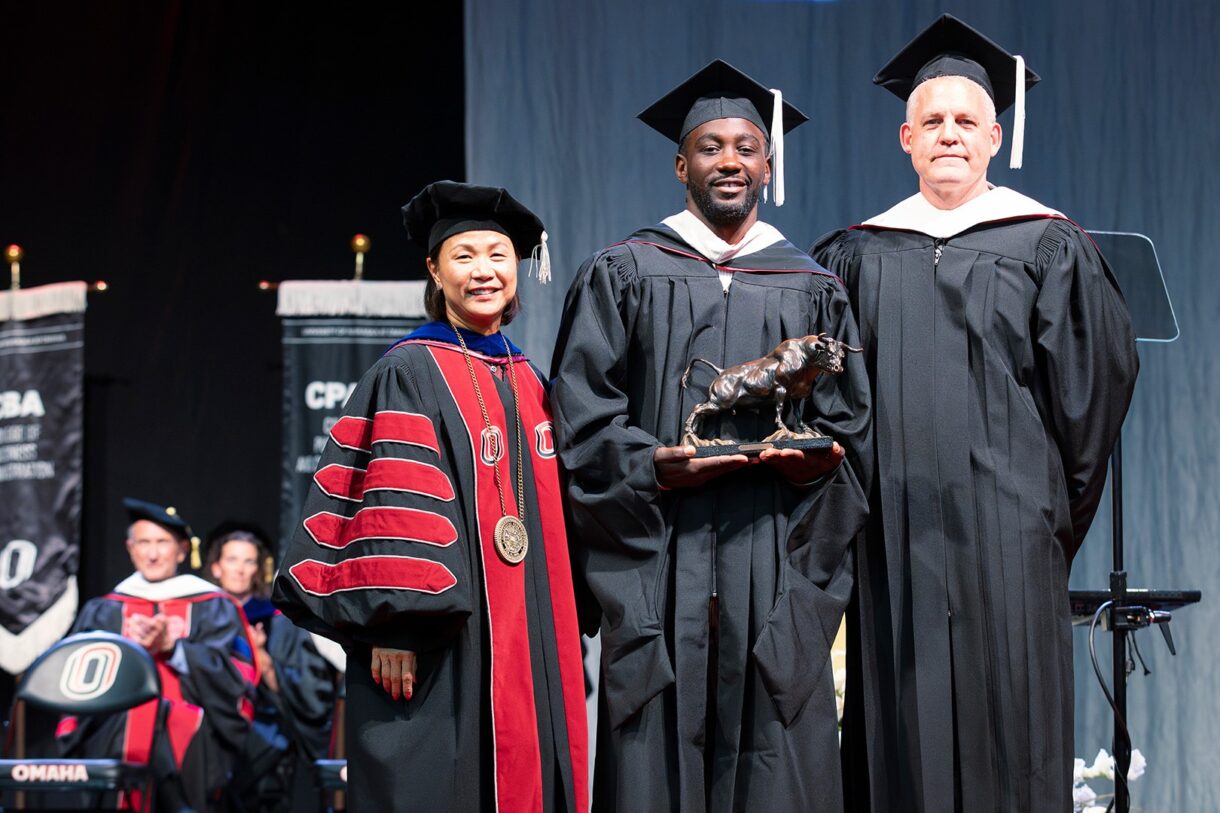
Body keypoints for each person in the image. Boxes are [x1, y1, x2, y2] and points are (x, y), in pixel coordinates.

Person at [812, 15, 1140, 813]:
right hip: (891, 544)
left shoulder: (1046, 245)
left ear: (996, 136)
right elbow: (832, 406)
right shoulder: (855, 254)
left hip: (1012, 540)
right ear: (906, 138)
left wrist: (1042, 518)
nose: (949, 136)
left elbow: (1091, 403)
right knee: (897, 740)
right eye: (933, 122)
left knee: (1013, 737)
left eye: (966, 122)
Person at [551, 60, 871, 811]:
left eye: (745, 146)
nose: (728, 160)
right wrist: (651, 465)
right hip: (661, 563)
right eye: (708, 146)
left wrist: (809, 468)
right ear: (679, 164)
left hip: (773, 567)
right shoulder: (624, 271)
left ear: (767, 162)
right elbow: (579, 418)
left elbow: (852, 435)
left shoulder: (814, 288)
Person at [273, 181, 589, 813]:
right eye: (464, 255)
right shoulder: (410, 369)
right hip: (437, 641)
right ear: (434, 270)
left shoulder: (531, 380)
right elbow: (391, 505)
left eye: (497, 256)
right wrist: (393, 627)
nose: (484, 272)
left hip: (530, 635)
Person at [63, 498, 257, 812]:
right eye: (143, 542)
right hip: (112, 739)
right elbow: (75, 683)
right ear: (130, 548)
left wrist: (175, 648)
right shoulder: (104, 609)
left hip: (193, 743)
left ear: (182, 550)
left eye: (162, 542)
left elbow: (237, 678)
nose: (152, 553)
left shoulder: (213, 606)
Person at [207, 526, 337, 813]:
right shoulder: (201, 617)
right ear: (216, 567)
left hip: (265, 740)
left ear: (258, 569)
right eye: (232, 560)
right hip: (210, 737)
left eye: (249, 561)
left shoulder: (280, 621)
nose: (240, 570)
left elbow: (306, 694)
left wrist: (261, 655)